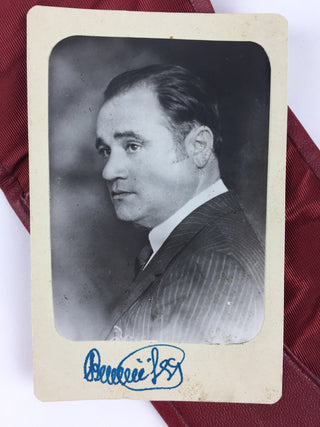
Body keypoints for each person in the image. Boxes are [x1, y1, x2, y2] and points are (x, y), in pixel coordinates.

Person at [95, 65, 264, 344]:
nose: (109, 171)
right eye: (105, 151)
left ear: (199, 146)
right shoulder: (200, 244)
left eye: (133, 145)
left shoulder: (211, 265)